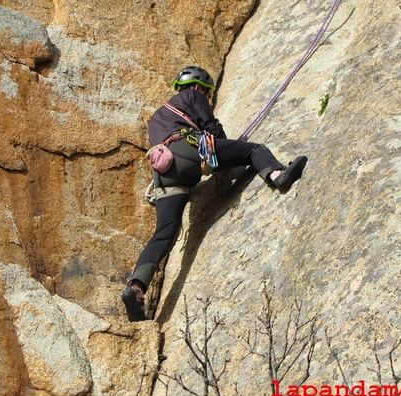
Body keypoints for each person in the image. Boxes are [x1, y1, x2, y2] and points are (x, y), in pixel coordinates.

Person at [122, 66, 307, 322]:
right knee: (253, 150)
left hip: (164, 174)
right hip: (188, 153)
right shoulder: (192, 96)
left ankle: (136, 287)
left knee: (165, 232)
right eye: (208, 93)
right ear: (200, 87)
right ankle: (278, 176)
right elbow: (211, 127)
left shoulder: (156, 117)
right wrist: (229, 151)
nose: (207, 97)